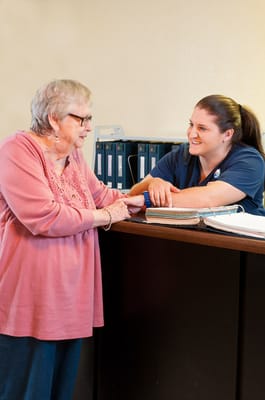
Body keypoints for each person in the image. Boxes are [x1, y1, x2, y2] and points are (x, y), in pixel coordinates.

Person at [0, 79, 144, 399]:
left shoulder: (73, 155)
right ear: (54, 118)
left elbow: (101, 195)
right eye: (82, 119)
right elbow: (43, 216)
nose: (89, 128)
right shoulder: (17, 150)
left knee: (61, 390)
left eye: (90, 119)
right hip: (32, 294)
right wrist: (107, 216)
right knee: (25, 389)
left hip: (71, 295)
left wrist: (142, 201)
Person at [129, 94, 265, 215]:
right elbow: (132, 197)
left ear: (227, 134)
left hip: (239, 242)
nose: (192, 134)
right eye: (191, 125)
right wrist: (152, 183)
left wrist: (146, 199)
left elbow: (209, 198)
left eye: (202, 128)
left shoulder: (250, 161)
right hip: (191, 237)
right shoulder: (180, 155)